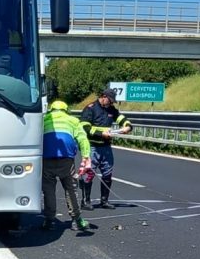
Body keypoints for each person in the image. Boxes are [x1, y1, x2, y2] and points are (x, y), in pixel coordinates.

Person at [41, 100, 91, 233]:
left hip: (46, 159)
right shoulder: (73, 120)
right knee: (71, 189)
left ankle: (49, 220)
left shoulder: (44, 120)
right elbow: (82, 139)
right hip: (66, 159)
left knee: (49, 190)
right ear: (66, 110)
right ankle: (76, 220)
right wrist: (86, 157)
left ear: (51, 110)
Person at [79, 88, 132, 209]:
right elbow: (85, 127)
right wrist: (100, 134)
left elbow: (121, 118)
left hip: (106, 147)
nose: (111, 103)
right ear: (103, 97)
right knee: (89, 174)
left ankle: (104, 201)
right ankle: (85, 201)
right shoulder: (90, 108)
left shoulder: (111, 109)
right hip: (92, 147)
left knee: (107, 174)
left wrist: (127, 126)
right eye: (110, 101)